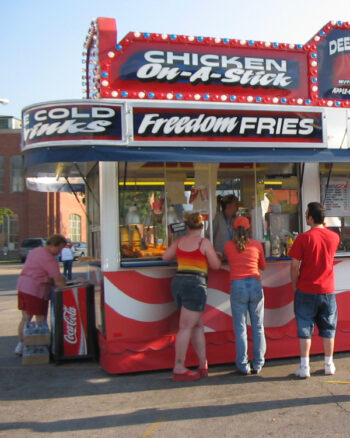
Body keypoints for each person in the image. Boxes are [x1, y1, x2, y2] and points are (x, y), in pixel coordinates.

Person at [162, 212, 221, 381]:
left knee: (197, 325)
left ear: (187, 227)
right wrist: (215, 254)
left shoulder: (180, 241)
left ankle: (203, 364)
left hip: (178, 281)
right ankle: (179, 367)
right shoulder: (204, 243)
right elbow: (216, 265)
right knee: (186, 326)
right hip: (195, 284)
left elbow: (165, 256)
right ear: (202, 227)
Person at [289, 202, 340, 379]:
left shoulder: (303, 238)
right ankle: (329, 364)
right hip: (328, 289)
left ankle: (304, 367)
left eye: (306, 214)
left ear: (310, 218)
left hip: (306, 289)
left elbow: (294, 266)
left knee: (305, 328)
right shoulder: (334, 237)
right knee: (328, 328)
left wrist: (295, 285)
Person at [224, 216, 266, 375]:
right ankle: (258, 363)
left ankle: (243, 365)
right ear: (249, 229)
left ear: (234, 229)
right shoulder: (256, 245)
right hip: (255, 284)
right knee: (258, 327)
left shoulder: (228, 246)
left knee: (240, 328)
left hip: (237, 286)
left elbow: (226, 259)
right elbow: (263, 266)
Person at [14, 234, 67, 356]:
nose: (59, 253)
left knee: (26, 318)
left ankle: (21, 345)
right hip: (36, 290)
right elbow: (58, 279)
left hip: (23, 286)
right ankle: (40, 347)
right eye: (59, 249)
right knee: (41, 319)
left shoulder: (35, 251)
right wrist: (67, 288)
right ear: (53, 245)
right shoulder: (49, 259)